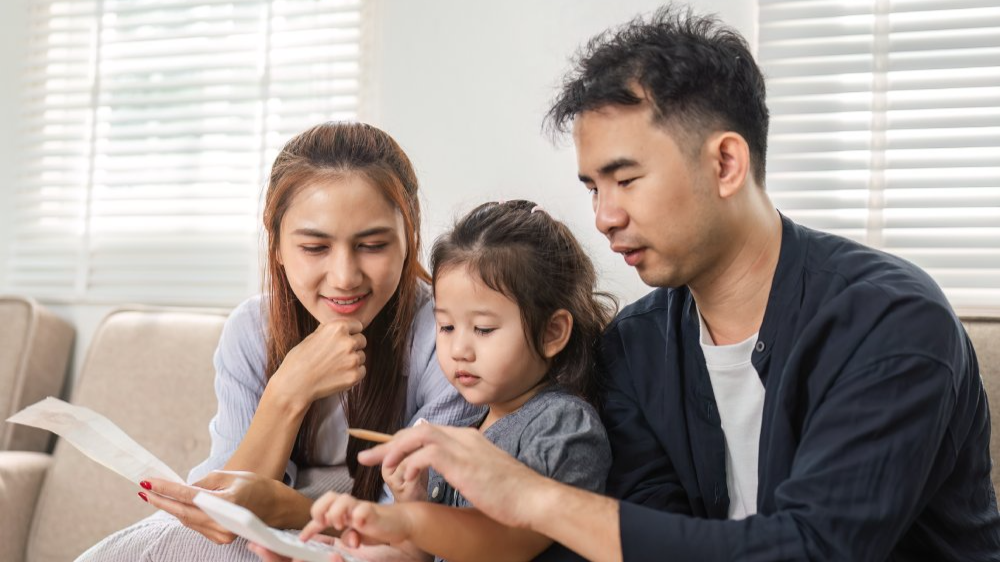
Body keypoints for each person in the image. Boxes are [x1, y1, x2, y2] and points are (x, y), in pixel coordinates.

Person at [353, 7, 1000, 562]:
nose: (604, 216)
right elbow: (649, 538)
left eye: (625, 179)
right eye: (592, 188)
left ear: (725, 163)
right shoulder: (636, 347)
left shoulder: (891, 326)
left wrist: (530, 496)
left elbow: (813, 549)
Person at [77, 122, 482, 562]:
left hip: (372, 535)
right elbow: (223, 508)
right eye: (314, 248)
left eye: (372, 245)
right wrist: (289, 389)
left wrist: (290, 509)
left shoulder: (447, 336)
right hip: (271, 522)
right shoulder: (253, 329)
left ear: (410, 239)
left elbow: (413, 526)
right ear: (277, 247)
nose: (345, 277)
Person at [252, 199, 616, 562]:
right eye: (446, 326)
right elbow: (422, 558)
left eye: (483, 329)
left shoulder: (562, 425)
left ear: (553, 332)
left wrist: (405, 518)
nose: (459, 349)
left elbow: (509, 542)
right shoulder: (470, 429)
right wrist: (349, 548)